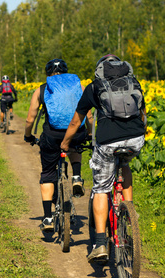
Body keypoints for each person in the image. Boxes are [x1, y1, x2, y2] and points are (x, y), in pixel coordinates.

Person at [60, 54, 146, 262]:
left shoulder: (93, 87)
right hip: (135, 139)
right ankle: (128, 210)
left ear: (100, 69)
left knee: (101, 187)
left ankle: (100, 243)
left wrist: (65, 143)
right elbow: (143, 114)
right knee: (124, 163)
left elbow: (76, 121)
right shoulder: (133, 83)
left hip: (108, 142)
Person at [24, 59, 93, 231]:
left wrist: (28, 136)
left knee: (48, 173)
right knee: (75, 145)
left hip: (52, 136)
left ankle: (47, 218)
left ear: (48, 73)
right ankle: (76, 176)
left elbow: (30, 118)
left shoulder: (41, 89)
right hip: (76, 133)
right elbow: (89, 116)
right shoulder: (80, 87)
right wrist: (90, 134)